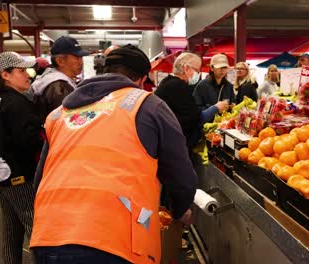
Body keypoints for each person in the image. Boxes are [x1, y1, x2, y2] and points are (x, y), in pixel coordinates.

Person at [30, 45, 197, 264]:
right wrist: (179, 209)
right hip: (112, 240)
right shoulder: (147, 105)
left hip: (48, 236)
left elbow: (40, 179)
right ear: (141, 78)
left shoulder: (59, 114)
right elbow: (181, 175)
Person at [0, 52, 44, 264]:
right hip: (20, 176)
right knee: (35, 227)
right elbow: (29, 140)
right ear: (5, 75)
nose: (28, 75)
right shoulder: (17, 103)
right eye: (21, 71)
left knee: (11, 228)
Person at [155, 52, 228, 150]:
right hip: (175, 146)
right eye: (197, 70)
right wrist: (216, 107)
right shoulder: (179, 87)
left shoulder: (167, 83)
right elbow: (197, 118)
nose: (198, 74)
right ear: (186, 68)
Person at [31, 36, 90, 125]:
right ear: (60, 61)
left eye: (81, 58)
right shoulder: (59, 86)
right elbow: (67, 123)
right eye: (77, 57)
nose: (81, 62)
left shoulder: (51, 79)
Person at [193, 53, 235, 119]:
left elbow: (233, 102)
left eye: (224, 67)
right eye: (219, 67)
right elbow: (196, 108)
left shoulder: (229, 86)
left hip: (224, 124)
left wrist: (232, 106)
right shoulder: (202, 85)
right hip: (206, 124)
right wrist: (215, 108)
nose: (222, 70)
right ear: (212, 68)